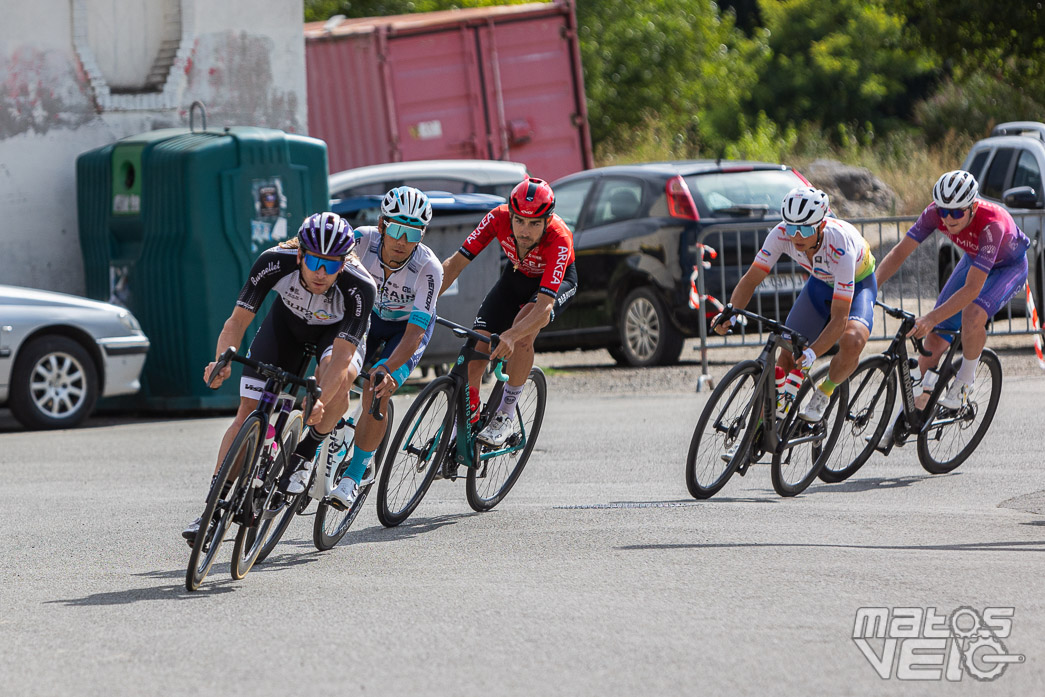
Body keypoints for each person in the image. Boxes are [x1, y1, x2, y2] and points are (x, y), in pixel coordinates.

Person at [183, 212, 376, 544]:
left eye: (331, 265)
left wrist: (319, 401)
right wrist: (221, 361)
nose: (320, 272)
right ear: (300, 254)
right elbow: (236, 323)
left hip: (335, 336)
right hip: (285, 328)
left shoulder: (360, 288)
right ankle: (213, 510)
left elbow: (342, 360)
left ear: (343, 265)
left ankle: (307, 452)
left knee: (337, 380)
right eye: (314, 260)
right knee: (247, 412)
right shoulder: (273, 262)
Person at [714, 186, 878, 423]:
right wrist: (729, 313)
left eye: (804, 229)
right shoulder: (781, 234)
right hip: (820, 284)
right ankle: (758, 430)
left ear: (821, 226)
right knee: (788, 355)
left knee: (853, 340)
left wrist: (813, 353)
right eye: (792, 227)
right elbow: (751, 279)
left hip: (859, 283)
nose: (796, 236)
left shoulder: (840, 244)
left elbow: (840, 318)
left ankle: (825, 391)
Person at [326, 186, 443, 510]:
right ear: (382, 226)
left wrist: (388, 369)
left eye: (413, 232)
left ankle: (355, 474)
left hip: (404, 331)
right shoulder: (360, 241)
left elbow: (415, 334)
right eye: (396, 229)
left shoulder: (428, 268)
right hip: (366, 318)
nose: (403, 241)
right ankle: (336, 427)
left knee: (376, 389)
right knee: (337, 369)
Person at [439, 177, 577, 445]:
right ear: (510, 214)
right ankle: (469, 417)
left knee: (523, 330)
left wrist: (512, 335)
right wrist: (424, 302)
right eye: (519, 221)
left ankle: (505, 413)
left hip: (554, 284)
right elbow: (454, 265)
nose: (525, 230)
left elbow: (544, 306)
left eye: (534, 223)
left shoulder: (559, 238)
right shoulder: (496, 218)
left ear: (548, 220)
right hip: (515, 277)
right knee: (477, 344)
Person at [875, 170, 1029, 410]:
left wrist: (930, 317)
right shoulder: (934, 214)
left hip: (1009, 267)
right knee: (934, 338)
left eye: (956, 212)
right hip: (974, 258)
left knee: (973, 315)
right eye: (943, 211)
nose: (948, 219)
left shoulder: (992, 225)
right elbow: (900, 253)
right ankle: (905, 417)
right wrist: (871, 287)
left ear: (973, 207)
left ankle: (965, 382)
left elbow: (971, 289)